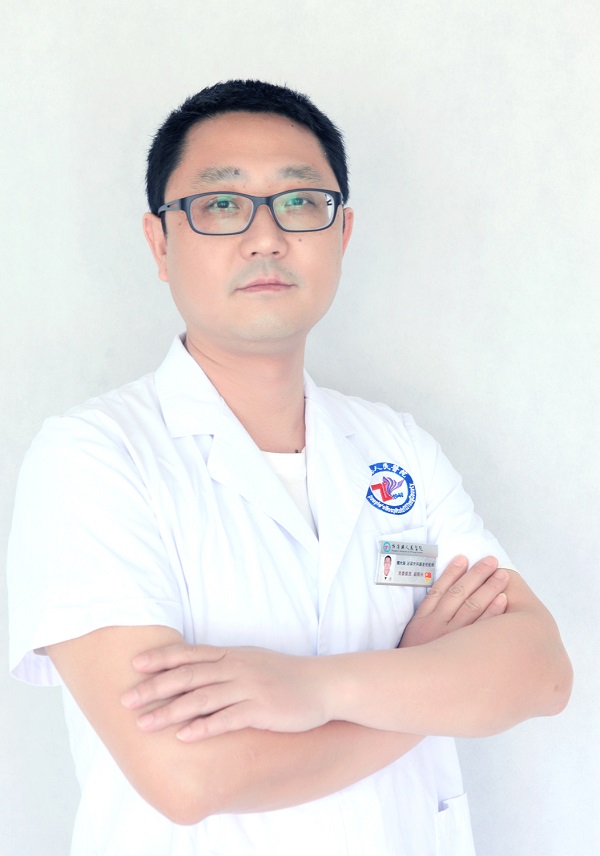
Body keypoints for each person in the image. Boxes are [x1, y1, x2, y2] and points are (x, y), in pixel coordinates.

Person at [7, 80, 572, 856]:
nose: (266, 238)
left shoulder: (397, 448)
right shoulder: (94, 458)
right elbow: (187, 776)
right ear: (160, 243)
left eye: (301, 203)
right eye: (221, 204)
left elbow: (540, 672)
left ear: (342, 234)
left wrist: (314, 689)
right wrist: (427, 681)